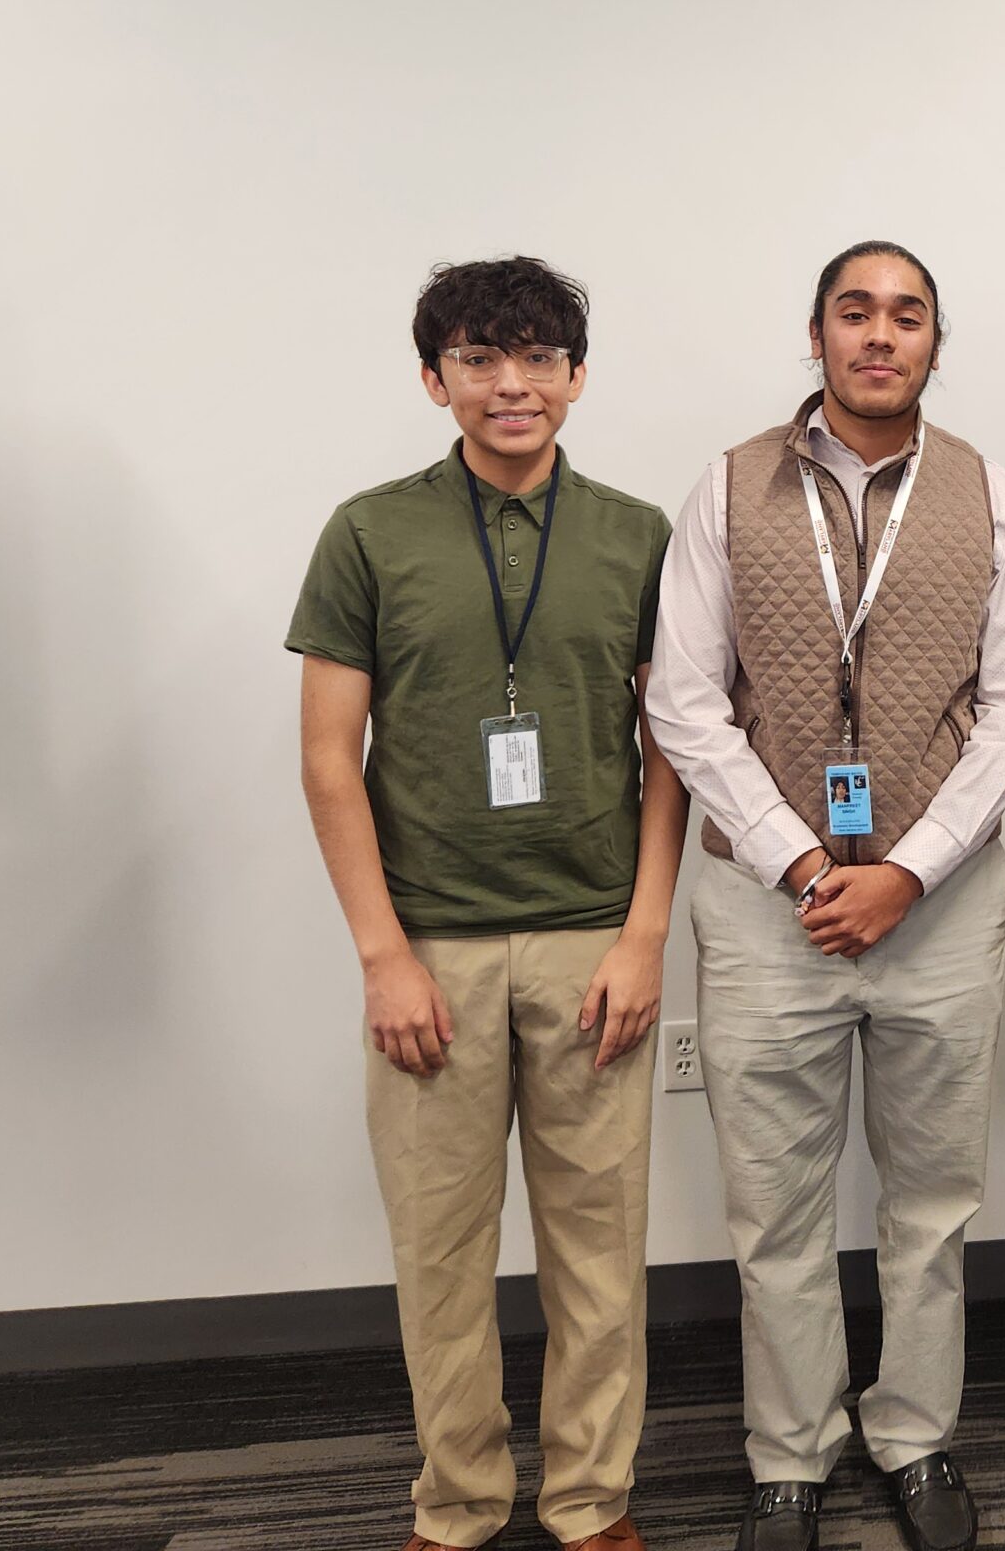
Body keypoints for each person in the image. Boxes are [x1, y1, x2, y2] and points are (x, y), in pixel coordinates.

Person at [646, 241, 1005, 1551]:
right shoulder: (725, 488)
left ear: (937, 341)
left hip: (942, 904)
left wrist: (906, 871)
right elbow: (683, 703)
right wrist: (810, 865)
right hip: (768, 910)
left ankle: (917, 1436)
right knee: (778, 1208)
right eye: (856, 312)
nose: (882, 335)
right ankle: (790, 1454)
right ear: (815, 335)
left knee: (934, 1199)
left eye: (908, 315)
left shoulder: (992, 494)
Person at [289, 256, 685, 1551]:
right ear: (434, 377)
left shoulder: (636, 534)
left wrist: (643, 935)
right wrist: (380, 956)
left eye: (536, 358)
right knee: (441, 1261)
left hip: (591, 945)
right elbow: (324, 756)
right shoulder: (369, 531)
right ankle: (455, 1508)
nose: (509, 383)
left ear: (577, 375)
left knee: (599, 1257)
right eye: (477, 358)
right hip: (431, 950)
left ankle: (592, 1504)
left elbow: (671, 746)